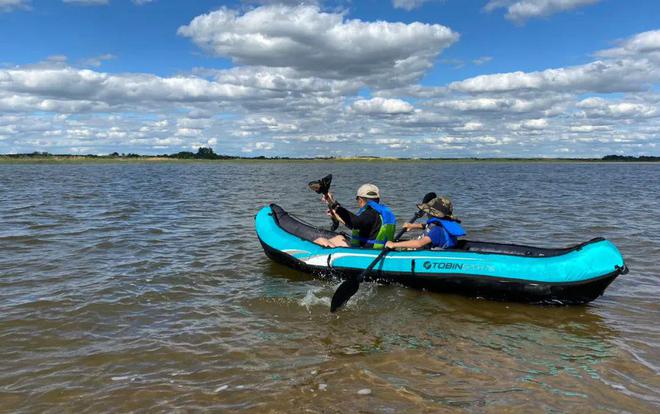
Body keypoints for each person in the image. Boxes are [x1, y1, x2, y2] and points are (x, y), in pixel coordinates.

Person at [314, 184, 396, 249]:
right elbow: (357, 225)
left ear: (360, 199)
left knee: (320, 240)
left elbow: (355, 223)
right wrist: (337, 215)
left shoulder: (370, 213)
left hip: (367, 253)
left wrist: (334, 205)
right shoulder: (380, 212)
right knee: (339, 237)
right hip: (379, 250)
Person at [385, 196, 465, 250]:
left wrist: (393, 244)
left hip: (432, 254)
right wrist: (413, 226)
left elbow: (419, 244)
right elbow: (427, 226)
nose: (427, 213)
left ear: (433, 213)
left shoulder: (437, 230)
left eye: (428, 211)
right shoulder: (442, 224)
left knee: (402, 247)